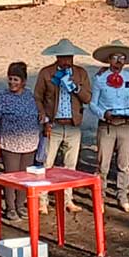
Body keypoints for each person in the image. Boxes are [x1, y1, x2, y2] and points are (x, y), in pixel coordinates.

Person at [35, 39, 93, 213]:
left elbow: (88, 98)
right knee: (47, 163)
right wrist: (43, 116)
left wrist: (76, 88)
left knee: (70, 165)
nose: (67, 60)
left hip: (73, 124)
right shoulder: (46, 73)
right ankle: (42, 200)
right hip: (54, 124)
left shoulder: (80, 74)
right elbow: (38, 96)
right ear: (57, 57)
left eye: (69, 57)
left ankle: (68, 199)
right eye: (64, 57)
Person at [90, 40, 129, 213]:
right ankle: (100, 198)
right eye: (115, 57)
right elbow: (92, 103)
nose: (119, 61)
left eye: (122, 58)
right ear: (109, 60)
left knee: (124, 163)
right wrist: (103, 114)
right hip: (107, 125)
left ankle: (123, 197)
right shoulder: (100, 78)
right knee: (103, 164)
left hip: (125, 125)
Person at [0, 62, 41, 220]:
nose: (12, 82)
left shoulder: (29, 96)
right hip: (10, 144)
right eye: (10, 79)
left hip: (29, 144)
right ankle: (10, 207)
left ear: (23, 81)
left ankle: (20, 204)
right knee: (11, 176)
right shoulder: (3, 98)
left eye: (16, 79)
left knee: (25, 177)